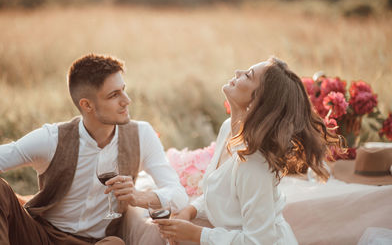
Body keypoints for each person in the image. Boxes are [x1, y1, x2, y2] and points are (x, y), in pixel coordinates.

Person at [0, 54, 188, 245]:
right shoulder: (52, 139)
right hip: (41, 236)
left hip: (96, 242)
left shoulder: (142, 135)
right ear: (86, 104)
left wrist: (138, 196)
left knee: (115, 244)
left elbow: (179, 196)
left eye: (123, 90)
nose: (127, 100)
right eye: (114, 95)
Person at [155, 57, 342, 244]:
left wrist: (196, 234)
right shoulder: (228, 128)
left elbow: (258, 241)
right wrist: (190, 211)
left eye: (248, 75)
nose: (237, 71)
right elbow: (223, 196)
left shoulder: (253, 162)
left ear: (258, 101)